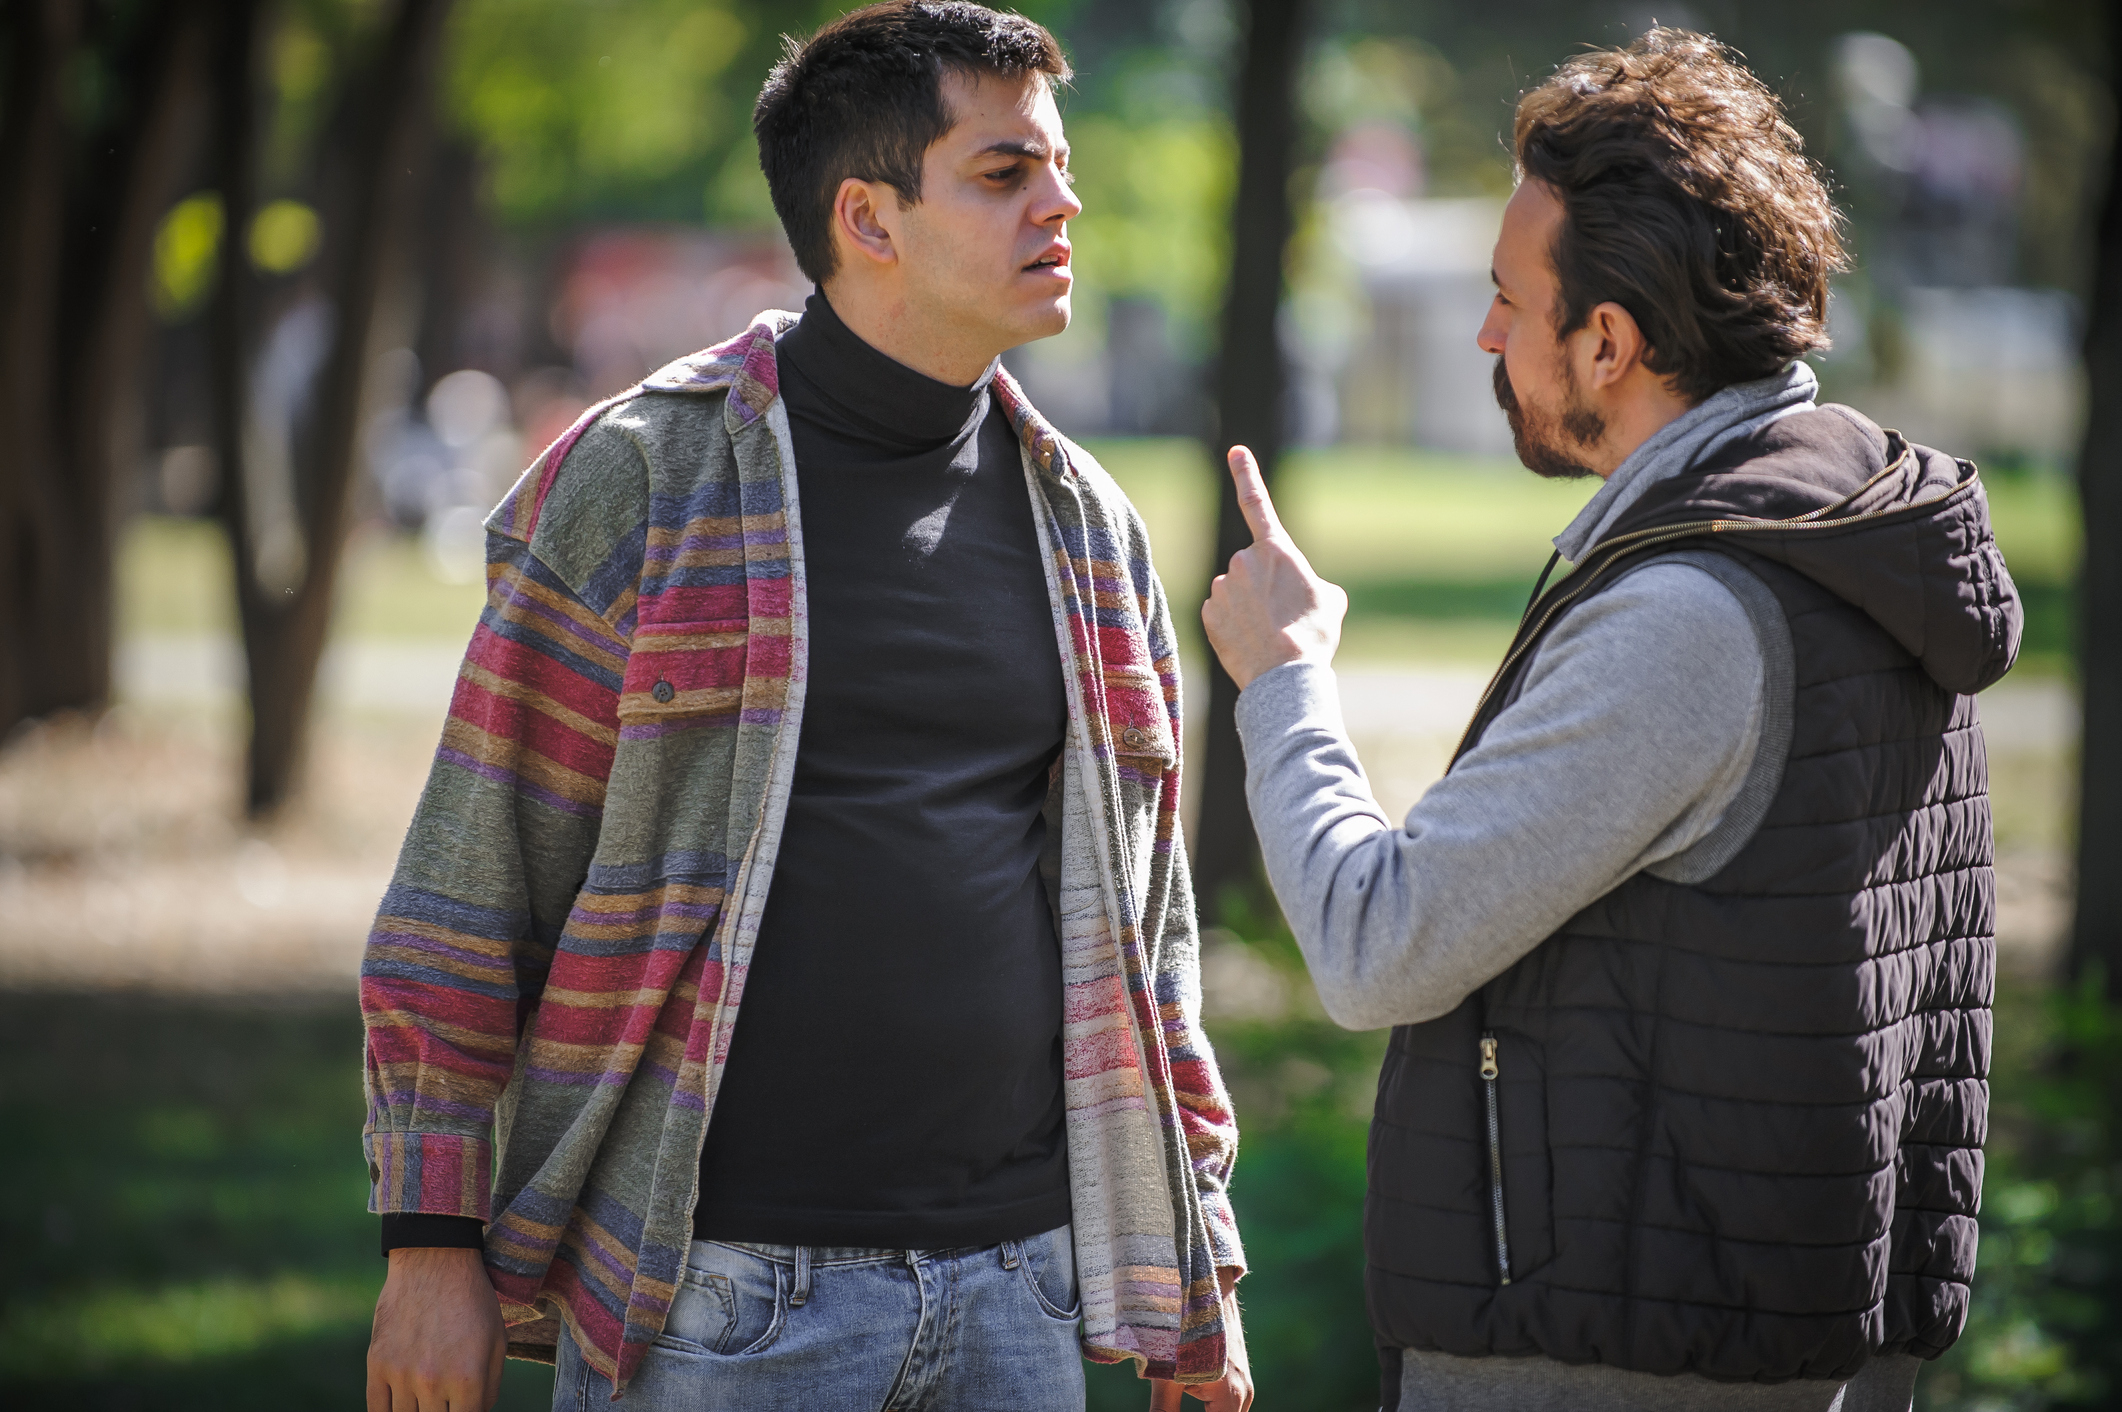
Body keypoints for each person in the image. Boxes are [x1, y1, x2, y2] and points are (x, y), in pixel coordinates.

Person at [360, 5, 1252, 1410]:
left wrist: (1196, 1269)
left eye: (1059, 166)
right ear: (868, 218)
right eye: (1004, 171)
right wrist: (427, 1249)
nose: (1063, 201)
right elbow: (468, 886)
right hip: (717, 1298)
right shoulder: (644, 482)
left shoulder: (1090, 526)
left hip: (1023, 1286)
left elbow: (1149, 947)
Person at [1202, 27, 2018, 1412]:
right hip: (1774, 1341)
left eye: (1507, 301)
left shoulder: (1691, 616)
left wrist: (1282, 676)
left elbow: (1372, 944)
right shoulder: (1854, 530)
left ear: (1608, 339)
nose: (1482, 333)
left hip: (1610, 1363)